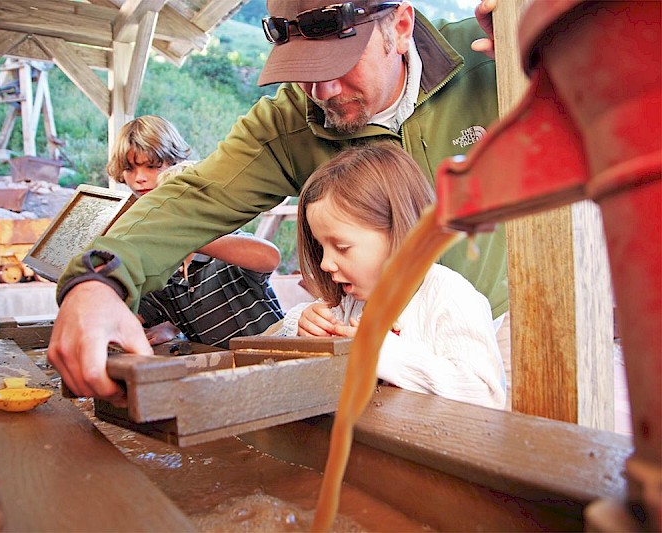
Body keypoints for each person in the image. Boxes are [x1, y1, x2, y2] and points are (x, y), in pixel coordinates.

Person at [48, 0, 506, 406]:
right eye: (304, 70)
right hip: (377, 342)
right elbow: (194, 197)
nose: (321, 91)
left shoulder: (497, 55)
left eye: (339, 63)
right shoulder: (288, 122)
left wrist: (565, 37)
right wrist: (97, 278)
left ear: (401, 26)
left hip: (506, 332)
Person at [276, 142, 505, 409]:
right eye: (320, 247)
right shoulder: (353, 301)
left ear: (401, 232)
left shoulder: (452, 299)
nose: (325, 263)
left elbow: (486, 395)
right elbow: (283, 334)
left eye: (341, 247)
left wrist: (382, 351)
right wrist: (304, 325)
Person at [107, 116, 284, 349]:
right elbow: (140, 312)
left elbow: (268, 258)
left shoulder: (220, 240)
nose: (140, 178)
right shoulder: (160, 263)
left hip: (274, 357)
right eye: (130, 169)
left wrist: (185, 238)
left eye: (151, 166)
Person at [136, 162, 285, 349]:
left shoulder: (228, 251)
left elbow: (269, 257)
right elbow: (136, 313)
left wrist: (191, 238)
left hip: (277, 356)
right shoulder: (168, 275)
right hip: (227, 370)